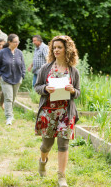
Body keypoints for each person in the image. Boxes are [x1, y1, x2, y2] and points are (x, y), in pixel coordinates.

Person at [34, 35, 80, 187]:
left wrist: (73, 90)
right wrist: (45, 89)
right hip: (48, 112)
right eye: (54, 48)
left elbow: (78, 92)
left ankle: (61, 177)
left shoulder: (73, 71)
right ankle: (42, 160)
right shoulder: (46, 68)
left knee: (63, 144)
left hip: (65, 112)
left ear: (67, 49)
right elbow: (37, 87)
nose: (56, 50)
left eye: (59, 47)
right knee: (46, 145)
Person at [0, 34, 26, 125]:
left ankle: (10, 114)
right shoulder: (2, 52)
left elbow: (23, 65)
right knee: (8, 98)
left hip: (17, 79)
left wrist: (22, 75)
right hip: (5, 79)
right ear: (9, 42)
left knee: (13, 98)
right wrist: (0, 76)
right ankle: (9, 117)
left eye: (18, 42)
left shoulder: (19, 52)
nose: (17, 43)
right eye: (15, 42)